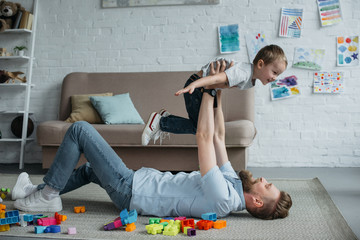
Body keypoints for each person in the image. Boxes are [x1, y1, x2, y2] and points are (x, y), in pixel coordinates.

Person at [12, 63, 292, 220]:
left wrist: (206, 87)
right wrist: (219, 89)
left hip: (130, 192)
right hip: (136, 183)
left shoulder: (223, 199)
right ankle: (35, 191)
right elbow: (218, 136)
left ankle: (47, 198)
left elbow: (203, 137)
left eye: (267, 186)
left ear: (256, 201)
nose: (265, 179)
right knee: (88, 170)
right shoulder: (232, 185)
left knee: (79, 130)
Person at [141, 44, 287, 146]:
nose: (275, 78)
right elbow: (216, 78)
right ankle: (161, 122)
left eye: (278, 75)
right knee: (200, 128)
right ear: (260, 64)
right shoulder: (244, 73)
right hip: (198, 85)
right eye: (274, 72)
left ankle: (167, 118)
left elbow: (220, 85)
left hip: (208, 89)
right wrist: (194, 84)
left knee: (208, 127)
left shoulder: (251, 80)